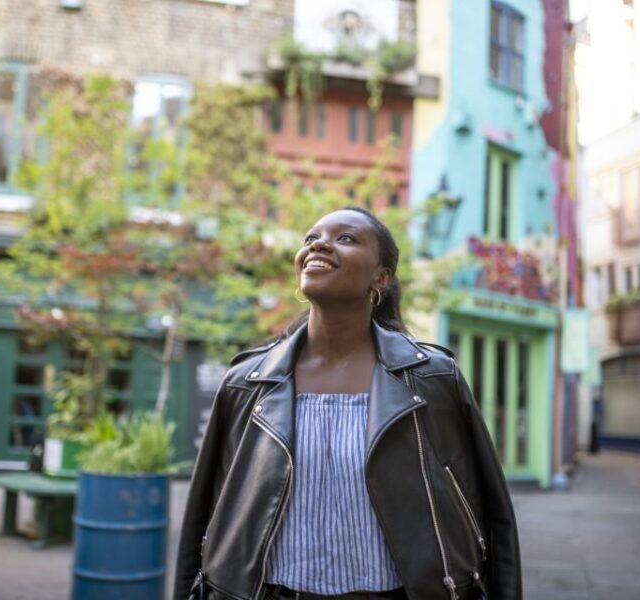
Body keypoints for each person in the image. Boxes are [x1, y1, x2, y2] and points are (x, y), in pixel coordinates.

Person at [174, 207, 521, 600]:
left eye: (347, 238)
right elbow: (204, 516)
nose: (318, 244)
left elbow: (490, 512)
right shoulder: (247, 384)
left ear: (381, 277)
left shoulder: (433, 379)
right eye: (311, 238)